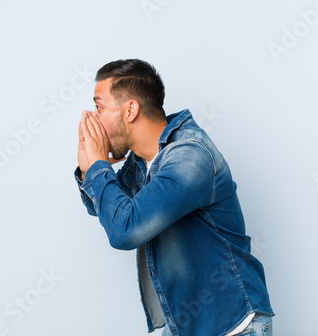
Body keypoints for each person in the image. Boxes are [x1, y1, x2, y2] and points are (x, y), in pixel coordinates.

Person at [74, 59, 274, 336]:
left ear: (130, 110)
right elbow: (106, 210)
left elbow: (125, 231)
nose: (91, 117)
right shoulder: (141, 162)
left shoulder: (190, 156)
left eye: (99, 106)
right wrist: (89, 167)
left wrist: (98, 166)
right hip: (186, 325)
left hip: (232, 325)